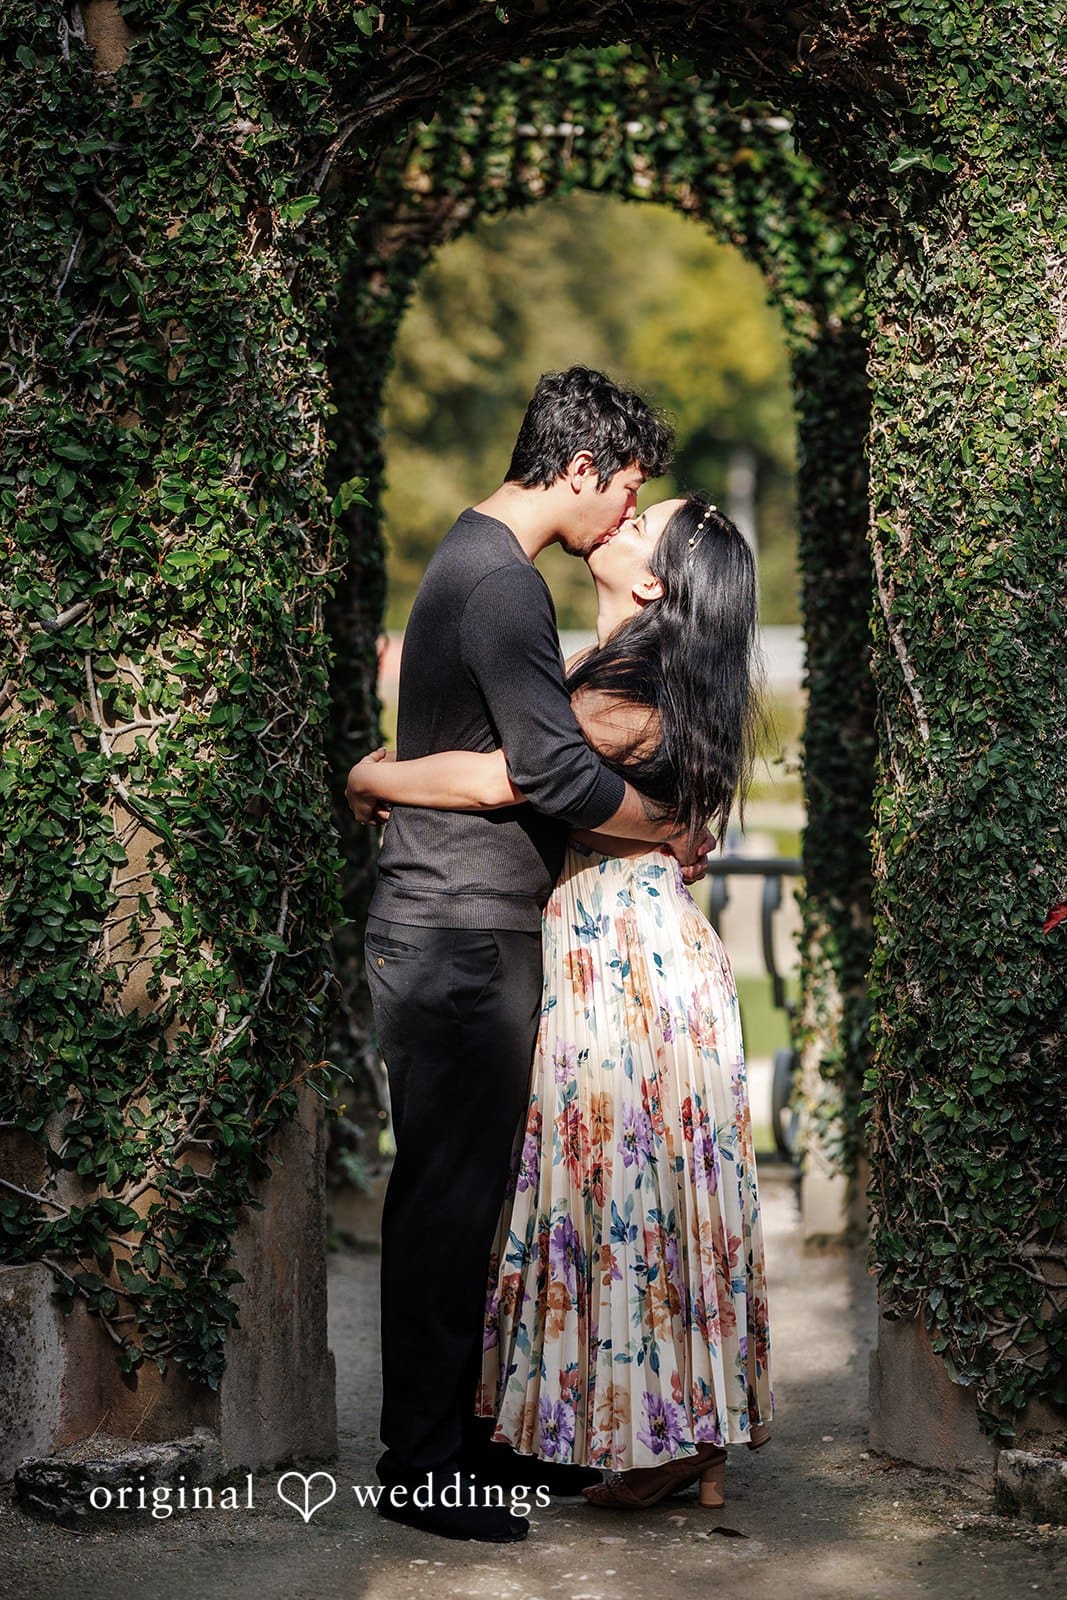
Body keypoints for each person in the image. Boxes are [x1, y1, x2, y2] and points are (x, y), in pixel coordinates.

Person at [349, 494, 772, 1515]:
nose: (616, 519)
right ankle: (678, 1437)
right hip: (635, 947)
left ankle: (661, 1437)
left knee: (619, 1201)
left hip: (620, 960)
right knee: (644, 1201)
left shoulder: (624, 689)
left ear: (654, 583)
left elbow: (506, 780)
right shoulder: (649, 673)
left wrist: (374, 772)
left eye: (640, 521)